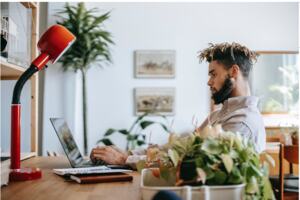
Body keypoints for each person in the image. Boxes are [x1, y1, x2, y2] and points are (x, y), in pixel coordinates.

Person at [90, 42, 266, 166]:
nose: (208, 82)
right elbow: (178, 148)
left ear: (233, 71)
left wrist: (123, 161)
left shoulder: (242, 121)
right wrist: (128, 154)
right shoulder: (218, 115)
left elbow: (190, 164)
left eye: (213, 74)